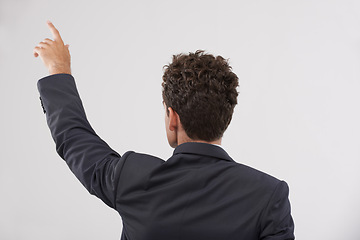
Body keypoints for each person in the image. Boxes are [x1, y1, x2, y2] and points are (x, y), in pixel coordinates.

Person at [34, 21, 295, 240]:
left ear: (172, 118)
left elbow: (74, 138)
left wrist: (59, 70)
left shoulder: (131, 179)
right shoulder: (269, 195)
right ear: (226, 116)